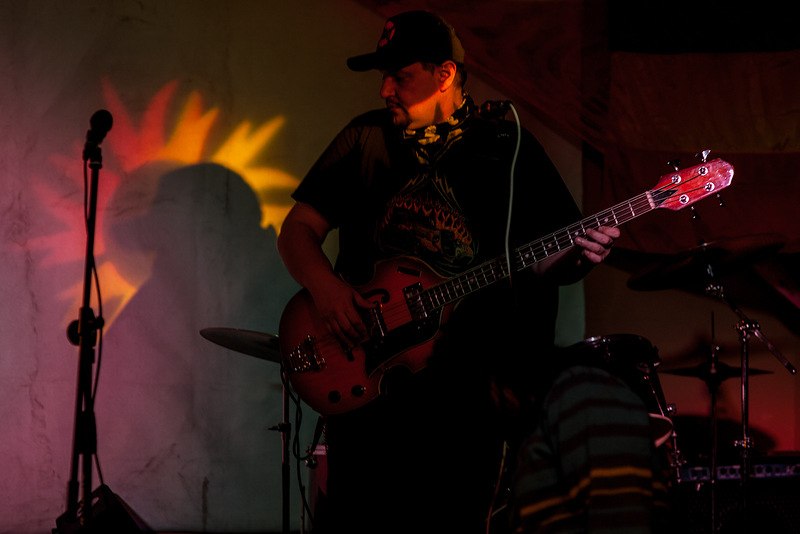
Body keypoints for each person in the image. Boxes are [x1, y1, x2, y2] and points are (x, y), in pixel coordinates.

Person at [276, 10, 626, 533]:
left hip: (466, 392)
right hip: (371, 377)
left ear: (444, 74)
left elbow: (544, 259)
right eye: (384, 76)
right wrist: (326, 290)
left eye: (401, 76)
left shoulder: (506, 146)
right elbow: (297, 229)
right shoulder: (364, 138)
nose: (385, 90)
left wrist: (577, 255)